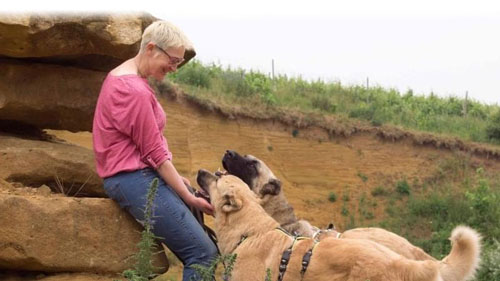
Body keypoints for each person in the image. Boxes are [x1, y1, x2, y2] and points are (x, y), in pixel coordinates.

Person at [92, 20, 217, 281]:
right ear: (151, 48)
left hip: (136, 177)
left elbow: (149, 148)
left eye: (178, 63)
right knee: (203, 254)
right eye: (172, 60)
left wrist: (175, 182)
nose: (174, 68)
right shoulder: (133, 91)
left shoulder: (124, 77)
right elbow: (155, 154)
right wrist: (189, 197)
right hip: (134, 180)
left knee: (201, 247)